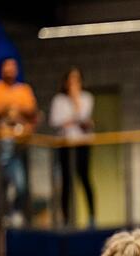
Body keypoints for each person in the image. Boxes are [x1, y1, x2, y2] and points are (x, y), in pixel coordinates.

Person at [0, 57, 38, 225]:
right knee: (2, 180)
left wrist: (15, 112)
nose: (10, 70)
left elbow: (31, 110)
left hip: (21, 143)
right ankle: (0, 212)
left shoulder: (24, 89)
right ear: (1, 69)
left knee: (20, 184)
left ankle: (15, 212)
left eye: (13, 67)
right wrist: (11, 109)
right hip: (2, 142)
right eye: (7, 67)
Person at [49, 67, 96, 226]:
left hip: (82, 143)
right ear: (66, 82)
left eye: (77, 79)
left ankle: (91, 217)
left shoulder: (87, 97)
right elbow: (56, 122)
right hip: (65, 145)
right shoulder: (59, 100)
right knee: (66, 181)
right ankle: (66, 219)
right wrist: (75, 117)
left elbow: (83, 118)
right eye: (71, 79)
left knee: (84, 178)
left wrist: (75, 106)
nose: (74, 83)